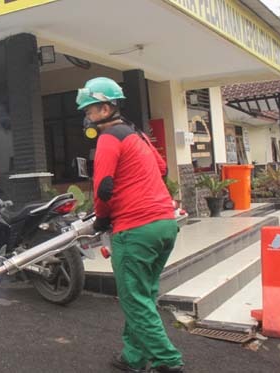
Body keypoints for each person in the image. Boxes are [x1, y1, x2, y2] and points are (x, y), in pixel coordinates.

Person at [76, 77, 184, 373]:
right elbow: (161, 169)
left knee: (135, 300)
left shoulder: (109, 139)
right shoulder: (138, 135)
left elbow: (103, 188)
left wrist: (101, 219)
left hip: (135, 229)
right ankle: (134, 357)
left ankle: (168, 361)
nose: (87, 115)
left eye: (90, 110)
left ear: (106, 107)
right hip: (164, 224)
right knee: (143, 295)